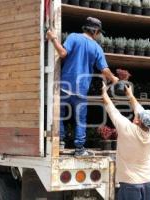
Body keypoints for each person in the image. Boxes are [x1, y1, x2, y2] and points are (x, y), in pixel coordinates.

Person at [46, 17, 119, 156]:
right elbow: (104, 69)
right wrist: (113, 78)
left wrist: (53, 38)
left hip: (65, 86)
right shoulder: (97, 48)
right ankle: (79, 149)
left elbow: (62, 53)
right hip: (81, 89)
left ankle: (60, 143)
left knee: (60, 115)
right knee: (80, 120)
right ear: (96, 31)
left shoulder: (73, 37)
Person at [101, 82, 150, 200]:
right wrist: (130, 95)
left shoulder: (127, 129)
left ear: (139, 121)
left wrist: (104, 91)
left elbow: (110, 108)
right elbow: (138, 109)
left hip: (131, 182)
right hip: (149, 180)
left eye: (138, 117)